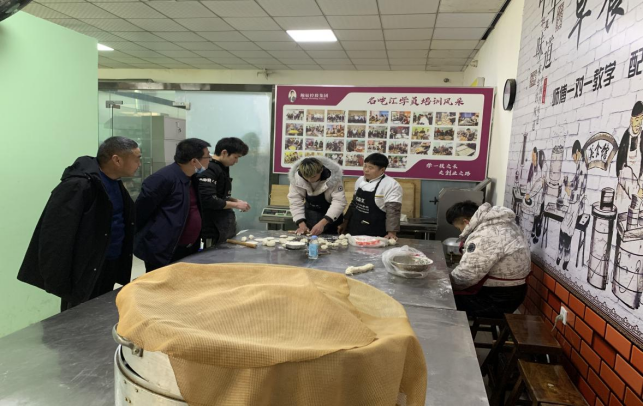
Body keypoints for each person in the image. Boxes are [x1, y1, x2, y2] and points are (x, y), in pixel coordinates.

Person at [18, 137, 142, 312]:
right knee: (78, 317)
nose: (139, 164)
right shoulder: (78, 185)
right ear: (117, 160)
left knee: (100, 313)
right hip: (84, 269)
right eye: (137, 158)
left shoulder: (115, 183)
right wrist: (57, 278)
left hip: (109, 263)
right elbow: (55, 234)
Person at [135, 138, 212, 273]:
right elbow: (140, 213)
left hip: (188, 248)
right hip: (164, 251)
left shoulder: (192, 178)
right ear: (194, 161)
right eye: (207, 156)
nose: (210, 159)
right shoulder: (162, 178)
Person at [447, 201, 531, 319]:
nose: (461, 232)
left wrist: (445, 284)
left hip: (497, 299)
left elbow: (467, 275)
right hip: (514, 293)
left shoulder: (485, 234)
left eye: (459, 228)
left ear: (466, 222)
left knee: (444, 301)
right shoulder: (505, 224)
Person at [197, 138, 250, 248]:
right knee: (212, 256)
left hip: (223, 224)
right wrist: (236, 205)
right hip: (212, 227)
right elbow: (209, 199)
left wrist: (236, 200)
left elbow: (221, 195)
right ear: (224, 153)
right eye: (235, 157)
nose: (236, 161)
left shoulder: (222, 167)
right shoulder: (209, 169)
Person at [339, 153, 402, 239]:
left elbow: (393, 211)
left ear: (382, 170)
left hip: (376, 231)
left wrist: (392, 232)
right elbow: (354, 203)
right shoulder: (360, 180)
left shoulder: (391, 185)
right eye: (365, 166)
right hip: (355, 228)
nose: (366, 170)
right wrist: (345, 222)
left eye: (371, 167)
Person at [289, 157, 347, 236]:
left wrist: (323, 223)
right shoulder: (296, 179)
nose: (310, 180)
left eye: (313, 176)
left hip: (331, 218)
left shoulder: (333, 178)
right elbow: (295, 200)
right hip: (309, 216)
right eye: (306, 177)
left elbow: (339, 201)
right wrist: (301, 224)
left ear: (321, 170)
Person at [616, 101, 643, 214]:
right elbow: (620, 170)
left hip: (639, 194)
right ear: (631, 120)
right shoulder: (625, 138)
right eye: (636, 119)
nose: (639, 123)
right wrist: (635, 191)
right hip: (624, 193)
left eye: (641, 119)